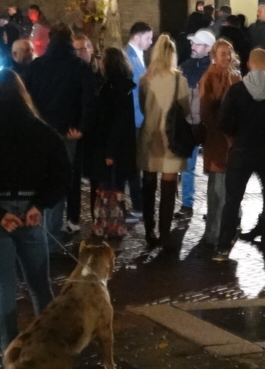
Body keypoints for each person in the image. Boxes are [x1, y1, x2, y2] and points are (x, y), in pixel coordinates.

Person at [0, 70, 72, 354]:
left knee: (3, 284)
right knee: (38, 284)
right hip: (31, 211)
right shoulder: (39, 128)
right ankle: (49, 346)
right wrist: (40, 204)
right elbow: (62, 174)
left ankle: (9, 350)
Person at [215, 48, 265, 261]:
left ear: (248, 64)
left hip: (241, 151)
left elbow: (223, 121)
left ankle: (223, 246)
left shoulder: (236, 90)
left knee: (232, 200)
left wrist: (234, 137)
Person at [21, 25, 93, 240]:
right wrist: (81, 127)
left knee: (40, 179)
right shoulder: (80, 66)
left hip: (40, 132)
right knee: (59, 180)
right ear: (71, 41)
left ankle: (37, 228)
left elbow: (25, 98)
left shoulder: (36, 66)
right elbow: (88, 100)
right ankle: (51, 233)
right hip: (67, 132)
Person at [137, 32, 190, 246]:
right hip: (171, 139)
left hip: (150, 137)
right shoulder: (179, 79)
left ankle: (150, 232)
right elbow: (185, 110)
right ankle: (165, 233)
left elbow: (142, 107)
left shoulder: (145, 79)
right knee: (168, 187)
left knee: (148, 185)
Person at [84, 47, 139, 240]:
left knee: (105, 187)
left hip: (108, 146)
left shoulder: (113, 89)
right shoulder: (121, 87)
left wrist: (109, 152)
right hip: (116, 147)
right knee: (114, 187)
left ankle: (104, 224)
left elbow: (116, 122)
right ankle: (110, 224)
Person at [197, 37, 240, 250]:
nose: (228, 57)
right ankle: (216, 233)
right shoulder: (211, 77)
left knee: (223, 188)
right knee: (218, 189)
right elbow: (206, 111)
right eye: (224, 53)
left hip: (230, 142)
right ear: (215, 55)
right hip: (218, 141)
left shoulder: (234, 77)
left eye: (230, 53)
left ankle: (219, 231)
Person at [177, 28, 214, 219]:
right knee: (187, 167)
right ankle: (186, 204)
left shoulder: (214, 70)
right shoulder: (185, 66)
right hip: (189, 124)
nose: (192, 46)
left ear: (208, 48)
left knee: (212, 168)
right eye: (192, 43)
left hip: (209, 125)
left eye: (197, 43)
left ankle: (213, 206)